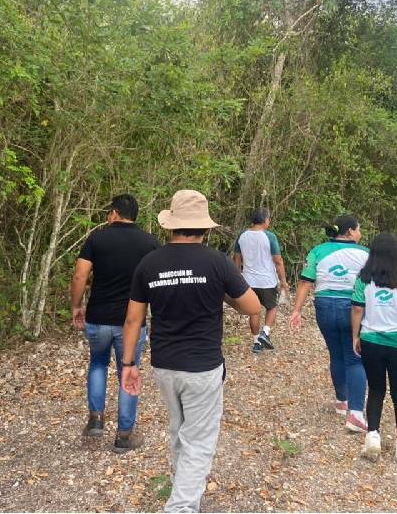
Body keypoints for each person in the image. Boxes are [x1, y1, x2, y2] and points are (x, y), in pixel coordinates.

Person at [120, 189, 261, 513]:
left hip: (164, 365)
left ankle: (181, 487)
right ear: (205, 228)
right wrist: (221, 293)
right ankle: (180, 507)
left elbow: (133, 319)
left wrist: (129, 363)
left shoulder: (149, 263)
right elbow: (252, 306)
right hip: (202, 368)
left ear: (171, 224)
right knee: (198, 441)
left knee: (179, 430)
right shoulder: (217, 262)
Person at [70, 194, 160, 452]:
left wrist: (76, 305)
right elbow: (156, 280)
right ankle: (124, 435)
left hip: (98, 317)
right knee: (128, 371)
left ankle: (96, 420)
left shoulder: (96, 239)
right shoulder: (150, 242)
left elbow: (80, 275)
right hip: (132, 321)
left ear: (114, 213)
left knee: (98, 363)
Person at [288, 215, 369, 432]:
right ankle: (356, 414)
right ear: (350, 231)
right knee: (355, 358)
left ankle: (342, 401)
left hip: (324, 306)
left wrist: (296, 310)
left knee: (336, 354)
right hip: (352, 307)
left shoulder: (317, 251)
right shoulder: (366, 254)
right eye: (359, 229)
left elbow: (305, 282)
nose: (360, 233)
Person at [351, 232, 397, 461]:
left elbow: (357, 309)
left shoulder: (363, 279)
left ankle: (373, 435)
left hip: (371, 341)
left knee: (375, 389)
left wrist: (355, 336)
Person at [233, 207, 289, 353]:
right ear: (265, 220)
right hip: (267, 281)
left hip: (248, 281)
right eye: (268, 219)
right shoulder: (269, 236)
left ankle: (256, 342)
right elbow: (278, 260)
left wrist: (237, 278)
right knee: (272, 307)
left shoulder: (242, 236)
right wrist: (283, 281)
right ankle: (265, 332)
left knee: (254, 311)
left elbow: (237, 259)